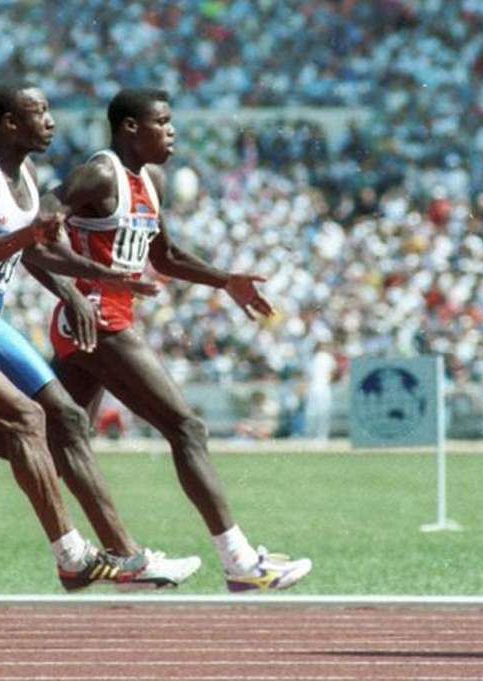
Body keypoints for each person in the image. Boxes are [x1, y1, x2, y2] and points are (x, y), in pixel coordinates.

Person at [0, 82, 200, 589]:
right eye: (37, 111)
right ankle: (103, 555)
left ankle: (84, 541)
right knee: (45, 416)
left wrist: (80, 280)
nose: (51, 120)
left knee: (27, 429)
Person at [47, 88, 311, 592]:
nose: (172, 132)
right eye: (162, 122)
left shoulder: (150, 180)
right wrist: (76, 290)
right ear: (129, 127)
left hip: (107, 317)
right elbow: (40, 224)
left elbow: (164, 256)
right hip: (98, 319)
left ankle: (91, 557)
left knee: (54, 437)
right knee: (186, 428)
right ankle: (239, 564)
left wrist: (224, 280)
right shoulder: (100, 174)